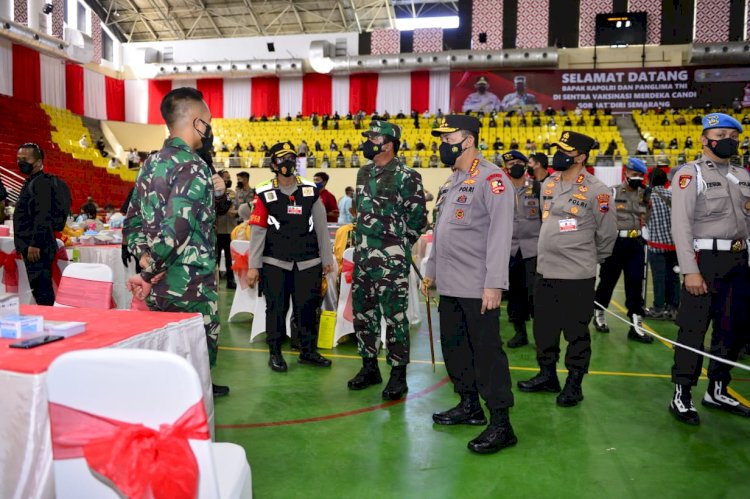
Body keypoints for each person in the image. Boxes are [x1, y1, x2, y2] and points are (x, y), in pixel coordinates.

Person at [124, 87, 229, 397]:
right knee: (194, 371)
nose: (209, 128)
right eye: (208, 120)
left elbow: (131, 222)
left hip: (158, 287)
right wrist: (146, 271)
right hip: (190, 287)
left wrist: (145, 260)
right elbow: (176, 232)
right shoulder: (193, 166)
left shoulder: (150, 164)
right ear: (197, 122)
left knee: (165, 364)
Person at [423, 115, 516, 454]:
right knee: (456, 348)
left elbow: (500, 235)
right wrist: (430, 270)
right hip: (449, 284)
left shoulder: (492, 180)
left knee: (487, 354)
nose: (443, 145)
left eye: (448, 138)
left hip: (478, 287)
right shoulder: (452, 182)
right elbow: (440, 232)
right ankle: (469, 404)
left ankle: (502, 423)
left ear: (469, 140)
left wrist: (494, 284)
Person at [517, 131, 617, 407]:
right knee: (544, 329)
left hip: (576, 275)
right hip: (545, 270)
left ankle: (575, 382)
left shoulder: (598, 190)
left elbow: (607, 233)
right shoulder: (549, 183)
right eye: (557, 149)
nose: (557, 155)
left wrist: (589, 258)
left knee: (576, 332)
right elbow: (546, 222)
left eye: (565, 151)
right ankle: (547, 375)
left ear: (581, 157)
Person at [667, 113, 750, 425]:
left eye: (733, 134)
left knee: (732, 328)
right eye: (720, 134)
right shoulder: (691, 174)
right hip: (704, 262)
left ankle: (718, 388)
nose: (728, 139)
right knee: (693, 329)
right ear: (704, 139)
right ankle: (682, 393)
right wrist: (689, 269)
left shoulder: (743, 175)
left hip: (739, 261)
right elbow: (681, 225)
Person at [347, 120, 427, 400]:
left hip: (391, 260)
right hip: (363, 256)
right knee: (363, 313)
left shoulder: (407, 176)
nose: (368, 140)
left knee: (394, 317)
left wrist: (397, 247)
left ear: (389, 143)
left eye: (373, 136)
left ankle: (398, 374)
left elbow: (418, 220)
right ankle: (369, 367)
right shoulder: (363, 172)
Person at [246, 141, 334, 372]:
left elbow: (322, 227)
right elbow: (258, 230)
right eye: (282, 159)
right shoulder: (264, 191)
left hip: (309, 262)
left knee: (307, 308)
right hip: (275, 262)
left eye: (291, 158)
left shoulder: (311, 190)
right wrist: (254, 266)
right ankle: (275, 352)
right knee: (276, 309)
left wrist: (327, 259)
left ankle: (308, 351)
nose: (287, 163)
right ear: (273, 163)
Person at [593, 158, 652, 343]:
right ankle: (598, 313)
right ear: (626, 172)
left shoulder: (644, 194)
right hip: (615, 243)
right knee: (607, 281)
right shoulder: (612, 191)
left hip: (635, 243)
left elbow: (646, 218)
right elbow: (601, 217)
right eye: (634, 174)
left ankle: (635, 325)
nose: (637, 178)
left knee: (635, 284)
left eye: (640, 175)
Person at [502, 150, 541, 348]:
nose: (513, 166)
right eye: (510, 164)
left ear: (525, 165)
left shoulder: (536, 187)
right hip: (510, 250)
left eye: (517, 162)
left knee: (536, 295)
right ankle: (520, 333)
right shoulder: (501, 190)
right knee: (515, 295)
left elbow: (546, 217)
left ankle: (541, 335)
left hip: (533, 249)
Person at [13, 143, 59, 306]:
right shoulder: (32, 181)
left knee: (42, 292)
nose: (20, 162)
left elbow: (43, 215)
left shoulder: (41, 183)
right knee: (39, 290)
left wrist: (35, 243)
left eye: (25, 159)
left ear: (38, 162)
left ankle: (51, 324)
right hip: (32, 246)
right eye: (18, 159)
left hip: (37, 247)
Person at [644, 167, 679, 320]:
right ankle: (673, 308)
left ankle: (658, 308)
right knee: (673, 277)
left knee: (659, 277)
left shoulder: (648, 196)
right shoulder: (672, 195)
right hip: (674, 244)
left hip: (656, 243)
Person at [216, 170, 238, 289]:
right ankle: (216, 281)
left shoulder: (232, 193)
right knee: (216, 258)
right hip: (218, 230)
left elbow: (236, 209)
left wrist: (234, 211)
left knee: (230, 258)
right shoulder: (214, 193)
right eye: (226, 178)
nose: (228, 180)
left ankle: (231, 280)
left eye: (229, 178)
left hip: (230, 230)